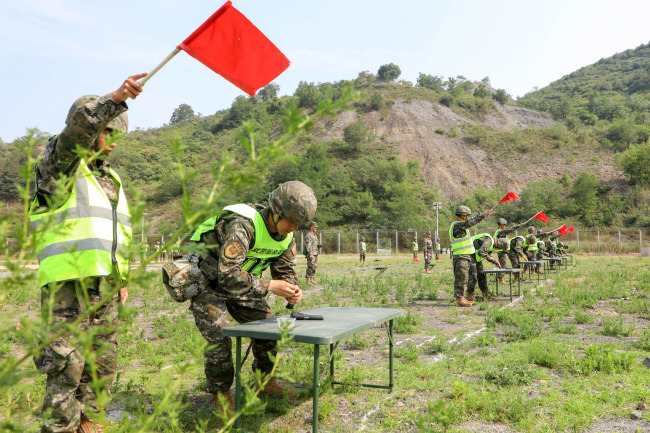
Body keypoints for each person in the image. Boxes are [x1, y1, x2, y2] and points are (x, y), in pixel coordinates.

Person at [29, 73, 147, 433]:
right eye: (106, 131)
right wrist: (113, 100)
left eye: (116, 134)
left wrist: (120, 279)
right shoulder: (59, 169)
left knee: (101, 371)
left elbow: (112, 235)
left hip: (105, 292)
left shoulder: (112, 180)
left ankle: (90, 426)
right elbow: (71, 139)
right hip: (69, 290)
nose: (111, 142)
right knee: (66, 372)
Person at [188, 181, 315, 415]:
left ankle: (264, 382)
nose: (294, 227)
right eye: (291, 220)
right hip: (209, 282)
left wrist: (292, 288)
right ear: (276, 212)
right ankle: (221, 394)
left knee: (269, 327)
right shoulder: (242, 225)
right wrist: (269, 286)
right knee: (218, 334)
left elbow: (284, 270)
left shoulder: (286, 236)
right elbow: (227, 276)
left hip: (243, 284)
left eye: (299, 224)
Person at [449, 205, 492, 307]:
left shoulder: (461, 226)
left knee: (465, 278)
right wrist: (482, 216)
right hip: (461, 256)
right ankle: (460, 299)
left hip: (465, 256)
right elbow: (469, 222)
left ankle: (462, 297)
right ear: (463, 216)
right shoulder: (458, 225)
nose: (468, 217)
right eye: (467, 215)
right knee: (461, 278)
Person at [466, 234, 506, 301]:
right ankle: (470, 295)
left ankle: (485, 294)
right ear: (499, 245)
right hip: (469, 254)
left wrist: (494, 261)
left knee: (481, 274)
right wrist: (492, 259)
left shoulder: (491, 245)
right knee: (473, 275)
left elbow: (487, 255)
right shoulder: (488, 242)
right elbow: (481, 252)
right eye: (500, 248)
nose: (499, 249)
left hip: (476, 257)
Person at [493, 218, 524, 283]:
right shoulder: (500, 232)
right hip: (502, 251)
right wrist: (518, 226)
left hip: (503, 250)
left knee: (504, 264)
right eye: (504, 225)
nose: (504, 226)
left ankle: (502, 279)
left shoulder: (498, 232)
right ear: (501, 225)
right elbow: (510, 229)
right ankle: (501, 280)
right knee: (503, 265)